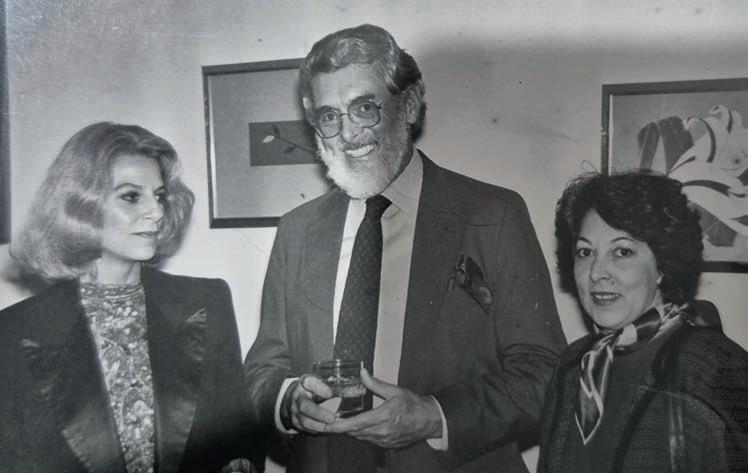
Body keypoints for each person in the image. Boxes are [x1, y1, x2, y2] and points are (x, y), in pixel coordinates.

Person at [244, 24, 566, 473]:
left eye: (364, 108)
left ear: (409, 105)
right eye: (329, 116)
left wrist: (435, 416)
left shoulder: (492, 214)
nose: (348, 135)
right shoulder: (296, 231)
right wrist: (288, 401)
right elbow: (262, 370)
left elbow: (544, 374)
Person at [0, 122, 255, 473]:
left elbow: (239, 442)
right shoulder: (14, 330)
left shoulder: (207, 302)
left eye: (159, 195)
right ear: (81, 206)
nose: (156, 212)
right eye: (131, 196)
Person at [538, 170, 748, 473]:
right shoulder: (572, 366)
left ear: (663, 265)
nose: (596, 272)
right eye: (585, 252)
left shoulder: (711, 365)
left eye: (622, 251)